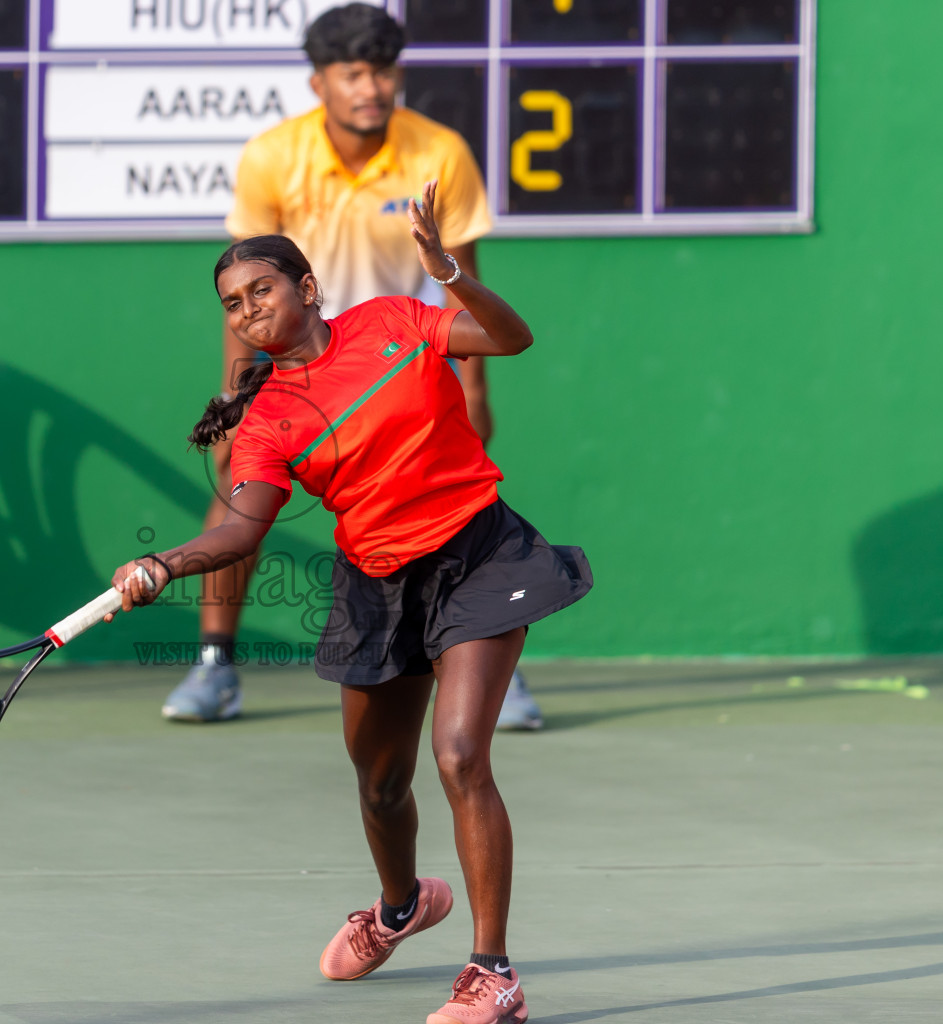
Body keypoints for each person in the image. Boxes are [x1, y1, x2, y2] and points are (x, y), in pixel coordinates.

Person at [108, 183, 591, 1024]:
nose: (250, 309)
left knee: (460, 756)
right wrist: (162, 563)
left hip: (478, 553)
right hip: (376, 588)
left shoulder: (397, 322)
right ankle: (402, 905)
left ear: (307, 288)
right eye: (234, 303)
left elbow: (511, 339)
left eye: (262, 288)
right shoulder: (265, 422)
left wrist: (446, 269)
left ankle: (493, 974)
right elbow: (237, 532)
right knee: (379, 785)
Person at [163, 2, 546, 730]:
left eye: (384, 70)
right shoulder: (274, 156)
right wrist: (236, 397)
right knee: (236, 504)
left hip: (406, 361)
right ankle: (215, 665)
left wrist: (475, 388)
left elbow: (461, 275)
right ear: (320, 84)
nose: (371, 87)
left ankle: (500, 673)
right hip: (302, 374)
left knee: (464, 517)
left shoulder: (441, 152)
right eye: (353, 73)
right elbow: (248, 294)